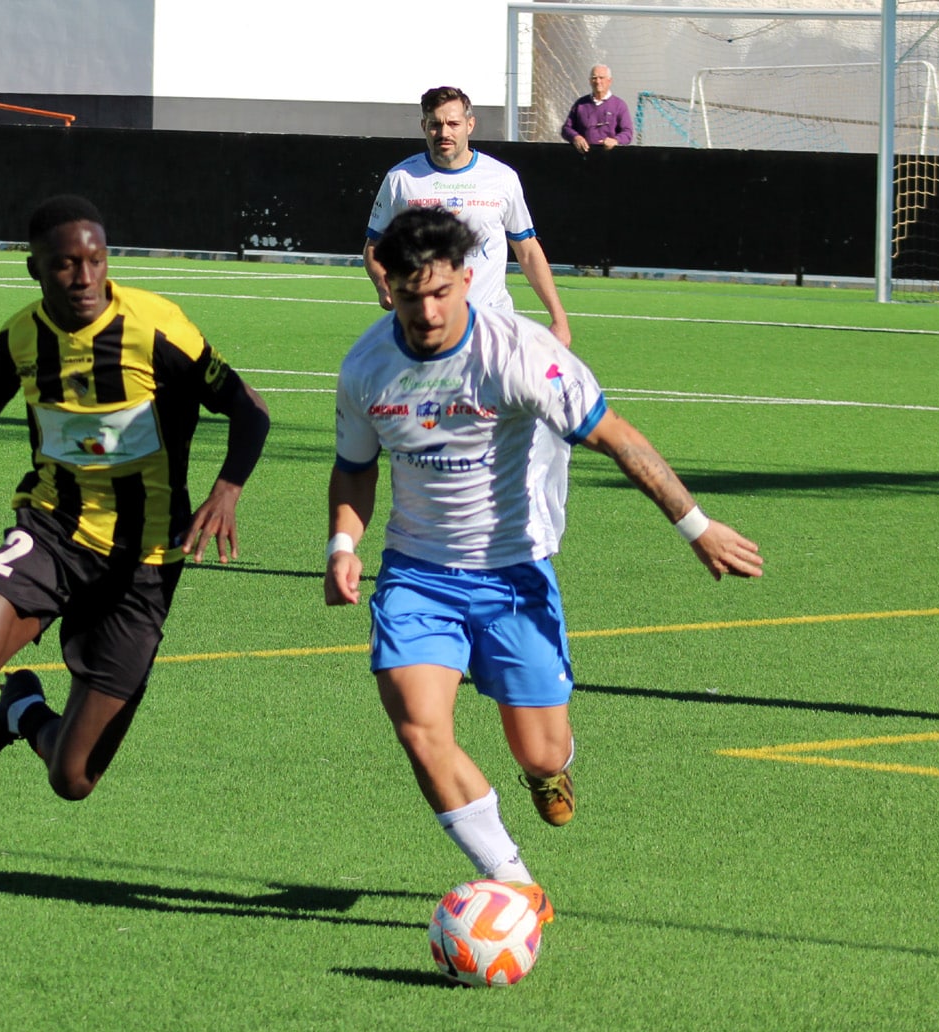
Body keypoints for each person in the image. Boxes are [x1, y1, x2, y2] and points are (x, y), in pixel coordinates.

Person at [326, 207, 761, 922]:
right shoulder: (365, 366)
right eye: (409, 295)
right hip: (417, 573)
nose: (426, 311)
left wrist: (697, 525)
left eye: (439, 292)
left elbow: (615, 436)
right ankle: (514, 882)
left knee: (539, 750)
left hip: (514, 575)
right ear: (387, 287)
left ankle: (548, 770)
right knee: (416, 724)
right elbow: (353, 469)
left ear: (467, 279)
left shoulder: (522, 354)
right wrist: (342, 545)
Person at [0, 194, 271, 921]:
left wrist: (227, 489)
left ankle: (22, 711)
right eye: (65, 264)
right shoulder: (23, 337)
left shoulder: (158, 328)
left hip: (143, 561)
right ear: (36, 270)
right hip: (49, 533)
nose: (84, 276)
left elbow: (247, 407)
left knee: (73, 778)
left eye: (95, 260)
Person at [364, 86, 572, 348]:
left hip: (493, 325)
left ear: (470, 124)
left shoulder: (502, 177)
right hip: (425, 328)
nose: (444, 133)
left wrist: (558, 318)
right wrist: (384, 286)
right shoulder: (401, 179)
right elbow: (374, 247)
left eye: (453, 123)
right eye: (435, 125)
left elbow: (527, 250)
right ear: (423, 126)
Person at [561, 65, 633, 153]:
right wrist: (576, 137)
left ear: (609, 81)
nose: (598, 81)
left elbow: (627, 133)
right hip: (584, 157)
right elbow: (566, 129)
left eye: (601, 78)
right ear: (590, 81)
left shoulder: (619, 105)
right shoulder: (580, 104)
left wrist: (615, 141)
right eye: (594, 78)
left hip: (610, 158)